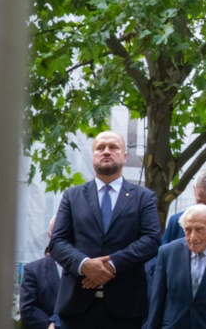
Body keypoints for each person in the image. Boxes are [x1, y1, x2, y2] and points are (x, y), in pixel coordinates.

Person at [49, 131, 162, 329]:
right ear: (93, 155)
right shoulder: (72, 196)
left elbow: (152, 240)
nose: (106, 152)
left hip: (125, 310)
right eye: (100, 148)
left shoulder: (144, 198)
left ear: (125, 156)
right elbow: (57, 243)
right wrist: (84, 265)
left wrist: (111, 265)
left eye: (113, 147)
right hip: (76, 306)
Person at [21, 216, 63, 329]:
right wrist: (50, 325)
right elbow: (27, 308)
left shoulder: (86, 270)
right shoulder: (33, 270)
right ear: (50, 236)